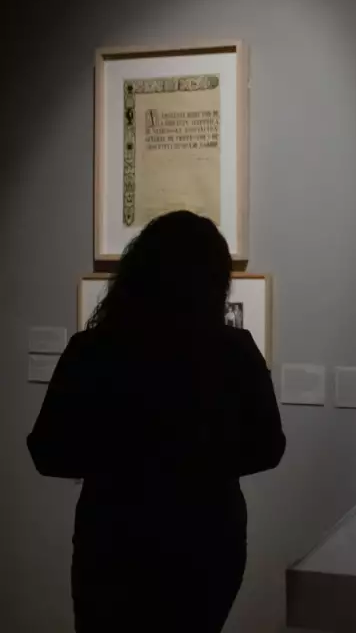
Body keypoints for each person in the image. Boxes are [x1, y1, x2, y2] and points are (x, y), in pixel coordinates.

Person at [27, 210, 286, 633]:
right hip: (206, 534)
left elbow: (48, 451)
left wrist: (121, 457)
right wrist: (199, 458)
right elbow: (268, 447)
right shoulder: (233, 350)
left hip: (114, 535)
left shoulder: (93, 349)